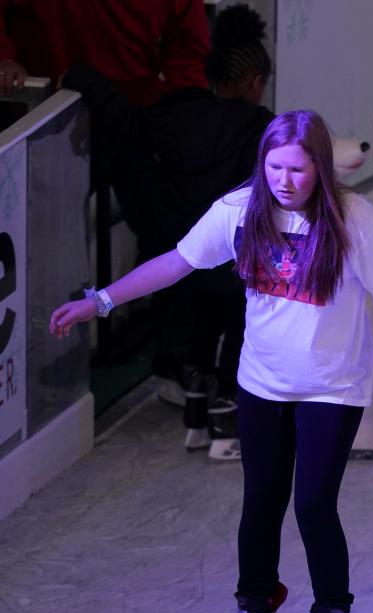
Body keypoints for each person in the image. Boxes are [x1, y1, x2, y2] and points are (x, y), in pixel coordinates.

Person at [49, 109, 373, 613]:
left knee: (312, 504)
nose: (284, 180)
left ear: (319, 167)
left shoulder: (353, 218)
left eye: (297, 169)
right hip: (262, 385)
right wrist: (100, 301)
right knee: (260, 502)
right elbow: (178, 262)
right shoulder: (240, 210)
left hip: (331, 390)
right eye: (274, 167)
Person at [61, 5, 276, 461]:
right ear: (255, 81)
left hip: (179, 260)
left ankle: (195, 422)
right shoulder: (257, 127)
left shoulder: (164, 118)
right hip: (234, 265)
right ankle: (226, 427)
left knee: (196, 331)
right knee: (237, 334)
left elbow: (116, 112)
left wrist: (75, 71)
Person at [0, 0, 209, 104]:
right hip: (45, 111)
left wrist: (182, 112)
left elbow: (188, 52)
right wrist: (5, 58)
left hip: (134, 114)